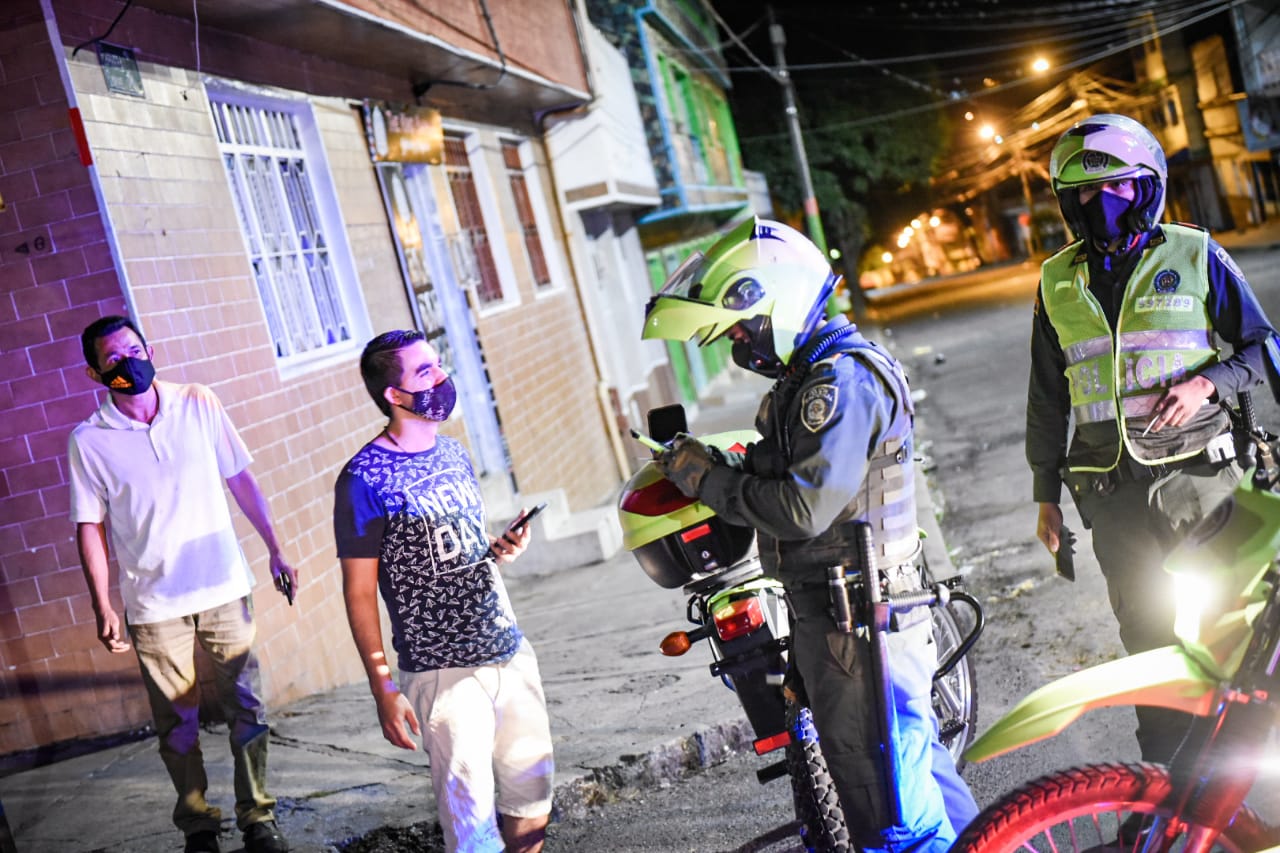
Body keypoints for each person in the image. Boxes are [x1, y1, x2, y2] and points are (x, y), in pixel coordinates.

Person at [640, 218, 978, 853]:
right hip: (844, 612)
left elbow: (800, 509)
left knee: (890, 808)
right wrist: (710, 465)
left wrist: (704, 478)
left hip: (860, 620)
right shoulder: (808, 380)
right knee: (918, 772)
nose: (739, 342)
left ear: (779, 301)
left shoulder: (838, 383)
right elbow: (785, 480)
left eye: (742, 325)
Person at [1027, 114, 1276, 767]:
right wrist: (1044, 494)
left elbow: (1262, 347)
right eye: (1083, 192)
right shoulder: (1056, 280)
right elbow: (1047, 396)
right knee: (1148, 646)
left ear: (1147, 188)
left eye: (1115, 188)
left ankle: (1238, 779)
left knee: (1236, 638)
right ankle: (1166, 791)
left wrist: (1209, 385)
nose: (1099, 203)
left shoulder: (1193, 254)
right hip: (1111, 499)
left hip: (1201, 483)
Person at [68, 315, 296, 853]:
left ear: (150, 347)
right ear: (94, 374)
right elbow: (89, 527)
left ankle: (258, 817)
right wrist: (102, 603)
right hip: (153, 604)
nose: (129, 363)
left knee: (247, 706)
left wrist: (275, 546)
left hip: (223, 586)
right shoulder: (89, 441)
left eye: (134, 349)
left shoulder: (198, 401)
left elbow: (239, 476)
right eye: (114, 360)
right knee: (177, 725)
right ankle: (198, 826)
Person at [334, 330, 553, 853]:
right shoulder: (363, 480)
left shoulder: (453, 453)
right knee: (474, 836)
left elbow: (458, 545)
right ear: (394, 394)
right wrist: (383, 687)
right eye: (424, 371)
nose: (441, 376)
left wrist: (500, 549)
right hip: (443, 675)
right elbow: (359, 593)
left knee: (533, 808)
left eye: (438, 364)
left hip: (507, 652)